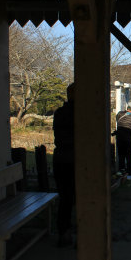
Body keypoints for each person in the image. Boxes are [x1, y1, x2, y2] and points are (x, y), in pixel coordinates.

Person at [53, 83, 75, 247]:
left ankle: (64, 233)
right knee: (83, 197)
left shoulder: (60, 113)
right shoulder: (82, 113)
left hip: (61, 158)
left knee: (65, 198)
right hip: (78, 159)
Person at [113, 102, 131, 180]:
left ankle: (121, 172)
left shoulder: (120, 114)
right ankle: (130, 173)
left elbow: (118, 121)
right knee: (129, 156)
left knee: (121, 155)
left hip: (120, 137)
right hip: (129, 138)